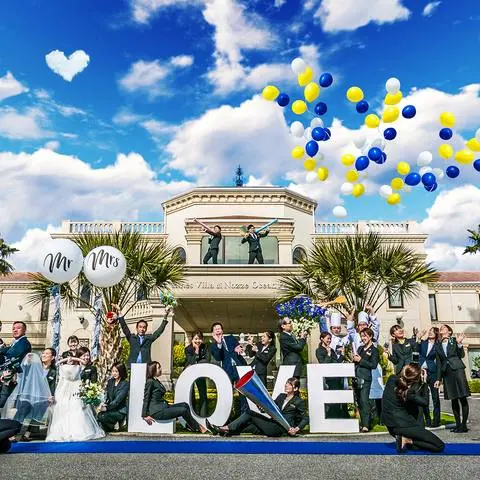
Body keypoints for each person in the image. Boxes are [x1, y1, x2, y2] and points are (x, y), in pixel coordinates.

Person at [208, 377, 308, 437]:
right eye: (286, 383)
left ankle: (227, 427)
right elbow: (272, 409)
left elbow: (306, 418)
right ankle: (223, 431)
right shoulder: (281, 396)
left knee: (250, 413)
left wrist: (296, 429)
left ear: (295, 388)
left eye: (289, 384)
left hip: (279, 428)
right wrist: (261, 407)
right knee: (250, 427)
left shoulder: (299, 401)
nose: (286, 385)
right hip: (272, 424)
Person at [382, 364, 444, 453]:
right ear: (415, 379)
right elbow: (425, 402)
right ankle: (407, 440)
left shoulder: (391, 379)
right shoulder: (408, 392)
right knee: (439, 446)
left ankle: (407, 440)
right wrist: (424, 383)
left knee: (416, 447)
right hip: (402, 425)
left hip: (390, 425)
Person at [46, 354, 104, 441]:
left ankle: (78, 431)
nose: (70, 359)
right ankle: (63, 431)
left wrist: (75, 359)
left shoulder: (78, 366)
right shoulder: (61, 367)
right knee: (63, 409)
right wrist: (65, 360)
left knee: (77, 408)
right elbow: (57, 366)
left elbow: (83, 362)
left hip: (75, 389)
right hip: (64, 390)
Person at [142, 361, 208, 433]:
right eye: (158, 368)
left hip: (162, 407)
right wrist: (144, 415)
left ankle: (191, 426)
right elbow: (146, 398)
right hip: (157, 412)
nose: (160, 369)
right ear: (153, 370)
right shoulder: (150, 382)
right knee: (183, 410)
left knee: (185, 405)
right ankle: (198, 428)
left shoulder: (155, 380)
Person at [3, 353, 51, 440]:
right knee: (21, 412)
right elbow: (23, 369)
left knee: (36, 413)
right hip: (26, 395)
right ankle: (13, 433)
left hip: (39, 397)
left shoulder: (41, 372)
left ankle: (26, 434)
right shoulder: (27, 370)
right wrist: (27, 360)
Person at [347, 306, 383, 423]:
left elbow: (376, 326)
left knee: (376, 393)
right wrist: (351, 316)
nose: (362, 326)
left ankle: (380, 417)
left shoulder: (372, 335)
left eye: (364, 324)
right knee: (363, 397)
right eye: (360, 325)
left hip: (373, 368)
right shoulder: (356, 336)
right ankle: (366, 419)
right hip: (360, 370)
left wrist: (372, 311)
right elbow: (350, 329)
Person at [434, 324, 470, 433]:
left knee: (462, 397)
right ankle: (458, 425)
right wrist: (438, 379)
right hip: (447, 373)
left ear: (449, 332)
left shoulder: (454, 340)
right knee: (453, 398)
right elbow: (439, 364)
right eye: (441, 328)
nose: (442, 328)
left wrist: (459, 344)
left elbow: (461, 355)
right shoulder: (438, 345)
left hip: (457, 370)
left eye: (444, 328)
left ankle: (463, 425)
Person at [115, 303, 170, 367]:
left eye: (144, 327)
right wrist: (119, 312)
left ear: (146, 329)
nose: (142, 329)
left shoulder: (149, 338)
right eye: (140, 327)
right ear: (137, 328)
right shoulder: (132, 338)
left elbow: (158, 332)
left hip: (146, 366)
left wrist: (165, 316)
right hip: (133, 365)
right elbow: (124, 327)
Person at [209, 322, 248, 413]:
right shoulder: (213, 346)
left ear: (222, 331)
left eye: (219, 328)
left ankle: (244, 413)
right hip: (227, 371)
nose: (218, 330)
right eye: (215, 329)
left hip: (238, 368)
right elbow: (218, 357)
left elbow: (238, 346)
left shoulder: (230, 338)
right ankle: (228, 413)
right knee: (227, 393)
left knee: (243, 393)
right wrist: (219, 344)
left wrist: (239, 348)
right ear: (213, 333)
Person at [20, 348, 57, 442]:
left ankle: (28, 433)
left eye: (47, 353)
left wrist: (51, 396)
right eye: (43, 353)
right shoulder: (36, 366)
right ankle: (13, 431)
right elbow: (24, 369)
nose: (43, 355)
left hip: (44, 397)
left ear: (52, 357)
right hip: (31, 394)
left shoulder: (54, 371)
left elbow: (53, 385)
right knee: (23, 409)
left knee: (40, 407)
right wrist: (27, 360)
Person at [315, 332, 348, 419]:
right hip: (329, 378)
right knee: (332, 398)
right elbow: (323, 363)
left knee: (338, 398)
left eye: (330, 338)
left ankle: (339, 416)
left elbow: (336, 363)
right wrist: (329, 354)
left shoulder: (331, 350)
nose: (329, 340)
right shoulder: (319, 350)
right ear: (322, 339)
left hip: (337, 377)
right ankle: (332, 416)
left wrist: (342, 355)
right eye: (328, 338)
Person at [0, 321, 32, 410]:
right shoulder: (15, 342)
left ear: (24, 330)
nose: (15, 330)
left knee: (2, 401)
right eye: (13, 328)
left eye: (18, 328)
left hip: (12, 377)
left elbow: (14, 357)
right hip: (6, 376)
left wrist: (2, 352)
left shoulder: (24, 343)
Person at [352, 328, 379, 432]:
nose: (363, 338)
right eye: (362, 336)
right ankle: (363, 423)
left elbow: (373, 365)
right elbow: (356, 362)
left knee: (364, 400)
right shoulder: (360, 348)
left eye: (365, 336)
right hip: (356, 377)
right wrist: (354, 359)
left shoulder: (374, 350)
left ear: (370, 336)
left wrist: (361, 360)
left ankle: (366, 425)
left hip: (366, 378)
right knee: (359, 401)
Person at [417, 327, 441, 427]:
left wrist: (438, 379)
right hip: (421, 373)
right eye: (430, 331)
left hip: (432, 373)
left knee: (435, 398)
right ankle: (427, 420)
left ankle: (436, 421)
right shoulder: (423, 343)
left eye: (433, 332)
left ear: (436, 334)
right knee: (424, 397)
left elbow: (439, 363)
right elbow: (416, 350)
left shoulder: (438, 346)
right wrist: (418, 338)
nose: (430, 333)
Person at [97, 363, 129, 433]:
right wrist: (103, 404)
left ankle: (117, 423)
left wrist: (106, 408)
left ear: (121, 371)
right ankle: (112, 426)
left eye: (116, 371)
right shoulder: (110, 381)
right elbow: (107, 396)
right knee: (99, 415)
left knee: (103, 416)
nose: (114, 373)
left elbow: (117, 400)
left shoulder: (125, 384)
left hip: (120, 410)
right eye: (113, 371)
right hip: (111, 409)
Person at [184, 331, 209, 417]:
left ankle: (203, 416)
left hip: (200, 373)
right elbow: (191, 361)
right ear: (192, 339)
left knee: (203, 394)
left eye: (199, 339)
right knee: (191, 395)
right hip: (189, 373)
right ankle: (191, 416)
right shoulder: (188, 349)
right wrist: (197, 352)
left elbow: (207, 360)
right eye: (196, 339)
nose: (198, 341)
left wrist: (197, 352)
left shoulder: (205, 347)